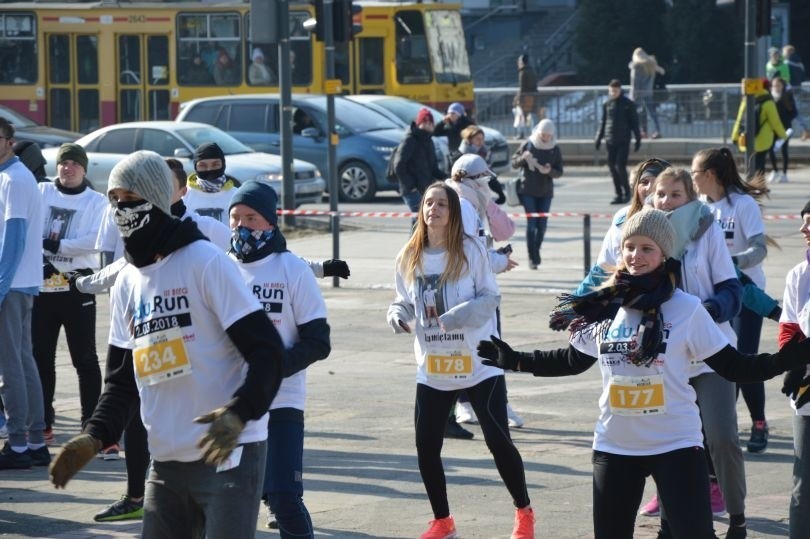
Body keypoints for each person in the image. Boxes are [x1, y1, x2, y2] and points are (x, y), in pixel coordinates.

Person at [478, 207, 810, 539]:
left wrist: (786, 360)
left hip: (676, 444)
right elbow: (571, 361)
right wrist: (515, 360)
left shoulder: (686, 309)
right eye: (630, 247)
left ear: (665, 254)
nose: (636, 256)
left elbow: (734, 366)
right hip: (615, 446)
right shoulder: (604, 309)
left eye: (647, 248)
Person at [48, 150, 286, 538]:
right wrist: (94, 436)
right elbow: (122, 380)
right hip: (166, 461)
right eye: (114, 201)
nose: (122, 210)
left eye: (131, 200)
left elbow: (268, 352)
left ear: (158, 199)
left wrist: (239, 413)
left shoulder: (205, 263)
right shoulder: (128, 280)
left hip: (227, 453)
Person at [387, 182, 535, 539]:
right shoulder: (409, 254)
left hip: (478, 363)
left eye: (441, 204)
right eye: (427, 203)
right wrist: (397, 313)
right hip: (434, 367)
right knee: (426, 445)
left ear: (453, 213)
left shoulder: (471, 251)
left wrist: (461, 314)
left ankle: (523, 511)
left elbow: (490, 297)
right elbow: (405, 298)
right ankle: (443, 521)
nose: (433, 209)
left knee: (498, 441)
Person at [646, 168, 748, 537]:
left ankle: (737, 518)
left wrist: (705, 312)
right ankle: (669, 522)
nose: (666, 201)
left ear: (691, 198)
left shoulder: (709, 232)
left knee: (721, 437)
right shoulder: (646, 235)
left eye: (675, 194)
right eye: (660, 194)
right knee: (667, 440)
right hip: (666, 356)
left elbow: (732, 292)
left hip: (710, 350)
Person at [228, 181, 331, 536]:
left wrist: (272, 370)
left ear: (270, 222)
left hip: (281, 400)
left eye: (251, 218)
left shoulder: (292, 269)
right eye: (236, 217)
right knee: (228, 500)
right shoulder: (219, 268)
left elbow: (318, 342)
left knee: (284, 498)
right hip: (230, 402)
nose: (242, 226)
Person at [692, 147, 772, 454]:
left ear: (709, 175)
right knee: (719, 359)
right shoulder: (700, 207)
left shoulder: (742, 204)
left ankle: (760, 422)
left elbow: (759, 248)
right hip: (714, 296)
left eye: (694, 174)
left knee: (744, 357)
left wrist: (729, 262)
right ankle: (721, 426)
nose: (692, 179)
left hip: (746, 293)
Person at [34, 143, 108, 448]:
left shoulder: (97, 201)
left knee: (85, 358)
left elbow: (95, 239)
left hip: (78, 288)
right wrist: (42, 253)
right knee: (41, 358)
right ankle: (43, 423)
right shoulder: (42, 192)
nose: (68, 168)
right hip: (42, 286)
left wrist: (58, 247)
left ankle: (92, 424)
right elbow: (29, 228)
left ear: (84, 169)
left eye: (74, 164)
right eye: (64, 163)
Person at [445, 153, 520, 432]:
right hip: (473, 290)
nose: (488, 184)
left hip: (465, 287)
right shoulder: (464, 205)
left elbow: (495, 236)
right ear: (473, 180)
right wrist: (498, 261)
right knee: (486, 348)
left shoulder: (463, 201)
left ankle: (461, 409)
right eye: (484, 179)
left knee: (465, 350)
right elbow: (473, 253)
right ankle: (490, 407)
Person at [0, 116, 48, 470]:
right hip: (21, 282)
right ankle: (34, 439)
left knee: (9, 365)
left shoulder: (14, 179)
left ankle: (17, 443)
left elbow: (13, 240)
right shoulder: (15, 177)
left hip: (11, 284)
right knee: (23, 360)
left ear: (9, 142)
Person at [778, 200, 810, 539]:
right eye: (803, 222)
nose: (803, 230)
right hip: (807, 394)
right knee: (804, 485)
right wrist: (793, 360)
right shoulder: (799, 275)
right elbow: (788, 325)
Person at [511, 119, 563, 269]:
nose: (544, 138)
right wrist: (523, 158)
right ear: (538, 132)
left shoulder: (555, 148)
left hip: (546, 191)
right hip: (528, 190)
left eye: (547, 135)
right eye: (542, 134)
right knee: (532, 224)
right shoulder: (529, 144)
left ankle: (536, 251)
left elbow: (559, 171)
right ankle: (532, 257)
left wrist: (550, 171)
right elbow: (514, 163)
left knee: (542, 225)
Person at [392, 107, 446, 216]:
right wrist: (411, 187)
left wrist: (447, 178)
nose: (428, 124)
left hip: (425, 188)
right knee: (419, 220)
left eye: (430, 122)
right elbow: (399, 165)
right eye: (425, 121)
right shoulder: (410, 139)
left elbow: (433, 168)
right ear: (419, 123)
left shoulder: (428, 141)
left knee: (422, 221)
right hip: (412, 190)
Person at [595, 79, 641, 205]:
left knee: (620, 166)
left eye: (615, 90)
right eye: (611, 91)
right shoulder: (607, 104)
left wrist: (638, 139)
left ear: (620, 90)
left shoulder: (628, 104)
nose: (613, 93)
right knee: (612, 167)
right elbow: (603, 122)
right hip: (610, 140)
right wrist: (598, 138)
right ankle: (618, 194)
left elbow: (634, 123)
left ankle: (627, 192)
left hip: (623, 140)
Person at [730, 78, 788, 178]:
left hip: (746, 139)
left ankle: (750, 184)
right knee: (760, 165)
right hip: (763, 140)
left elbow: (739, 119)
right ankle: (759, 186)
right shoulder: (768, 102)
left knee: (750, 164)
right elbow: (775, 122)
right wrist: (784, 135)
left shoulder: (746, 99)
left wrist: (734, 136)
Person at [183, 142, 241, 226]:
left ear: (223, 165)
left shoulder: (237, 196)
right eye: (203, 166)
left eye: (215, 165)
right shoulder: (184, 195)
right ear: (195, 167)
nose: (209, 169)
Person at [767, 76, 798, 183]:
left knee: (784, 150)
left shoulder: (787, 96)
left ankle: (784, 174)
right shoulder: (770, 97)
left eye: (778, 85)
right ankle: (775, 171)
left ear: (782, 86)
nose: (776, 87)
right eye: (774, 85)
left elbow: (794, 113)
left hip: (785, 128)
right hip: (773, 128)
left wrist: (786, 119)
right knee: (770, 149)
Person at [629, 47, 664, 139]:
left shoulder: (637, 66)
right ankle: (657, 131)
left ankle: (639, 132)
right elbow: (662, 71)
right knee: (652, 113)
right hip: (648, 93)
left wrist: (633, 95)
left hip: (638, 93)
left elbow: (635, 82)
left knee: (633, 113)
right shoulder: (651, 65)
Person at [782, 45, 810, 141]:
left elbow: (785, 77)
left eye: (784, 52)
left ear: (788, 52)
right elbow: (803, 77)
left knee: (793, 112)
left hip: (790, 90)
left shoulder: (786, 63)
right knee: (794, 111)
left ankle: (805, 130)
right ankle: (805, 130)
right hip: (798, 88)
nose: (783, 54)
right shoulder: (800, 63)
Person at [514, 53, 538, 139]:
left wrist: (518, 99)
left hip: (525, 98)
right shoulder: (532, 71)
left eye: (519, 61)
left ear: (522, 62)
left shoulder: (523, 72)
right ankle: (535, 134)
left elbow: (522, 88)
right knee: (532, 116)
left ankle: (521, 134)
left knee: (520, 116)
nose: (518, 63)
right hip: (533, 96)